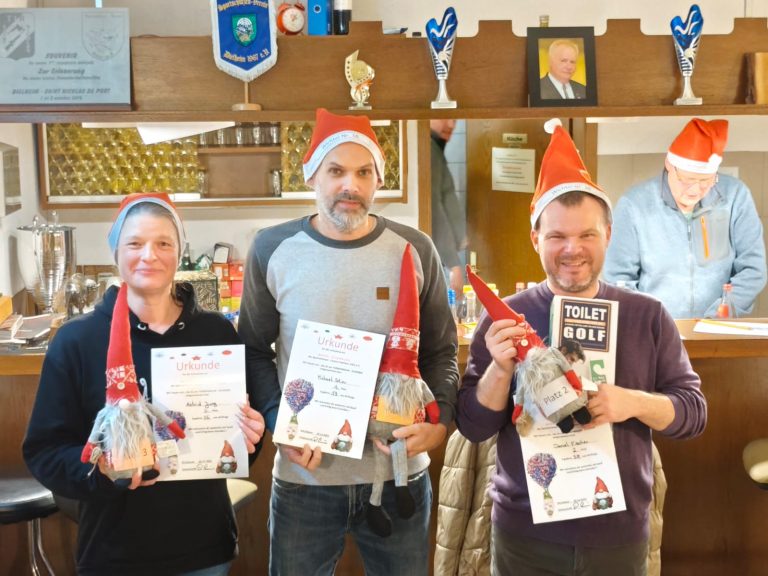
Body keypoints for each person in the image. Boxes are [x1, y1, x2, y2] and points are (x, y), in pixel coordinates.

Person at [456, 119, 707, 576]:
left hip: (617, 531)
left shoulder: (647, 315)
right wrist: (499, 369)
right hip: (524, 532)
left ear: (608, 234)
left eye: (587, 235)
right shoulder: (504, 318)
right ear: (536, 239)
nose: (572, 249)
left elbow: (693, 414)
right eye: (557, 236)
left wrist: (630, 402)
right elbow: (474, 426)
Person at [238, 108, 459, 576]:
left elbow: (441, 352)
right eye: (336, 171)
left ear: (379, 179)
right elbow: (253, 350)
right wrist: (280, 423)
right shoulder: (271, 249)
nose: (350, 186)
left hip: (399, 473)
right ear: (311, 176)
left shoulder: (415, 248)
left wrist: (439, 421)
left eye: (363, 173)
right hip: (306, 477)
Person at [23, 193, 266, 576]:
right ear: (115, 252)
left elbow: (237, 450)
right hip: (114, 553)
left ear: (179, 252)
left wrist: (251, 436)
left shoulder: (216, 334)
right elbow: (44, 452)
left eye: (163, 243)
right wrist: (102, 468)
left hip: (205, 549)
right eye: (135, 243)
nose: (149, 255)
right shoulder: (77, 341)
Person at [604, 118, 767, 319]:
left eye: (706, 181)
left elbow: (753, 270)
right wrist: (650, 323)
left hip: (719, 326)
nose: (695, 190)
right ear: (669, 165)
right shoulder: (634, 205)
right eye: (687, 180)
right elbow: (618, 280)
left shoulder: (735, 196)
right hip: (656, 327)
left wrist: (719, 316)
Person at [430, 118, 467, 297]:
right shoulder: (429, 149)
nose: (451, 125)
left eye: (454, 118)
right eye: (444, 117)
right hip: (442, 260)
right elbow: (434, 209)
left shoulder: (435, 147)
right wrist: (453, 264)